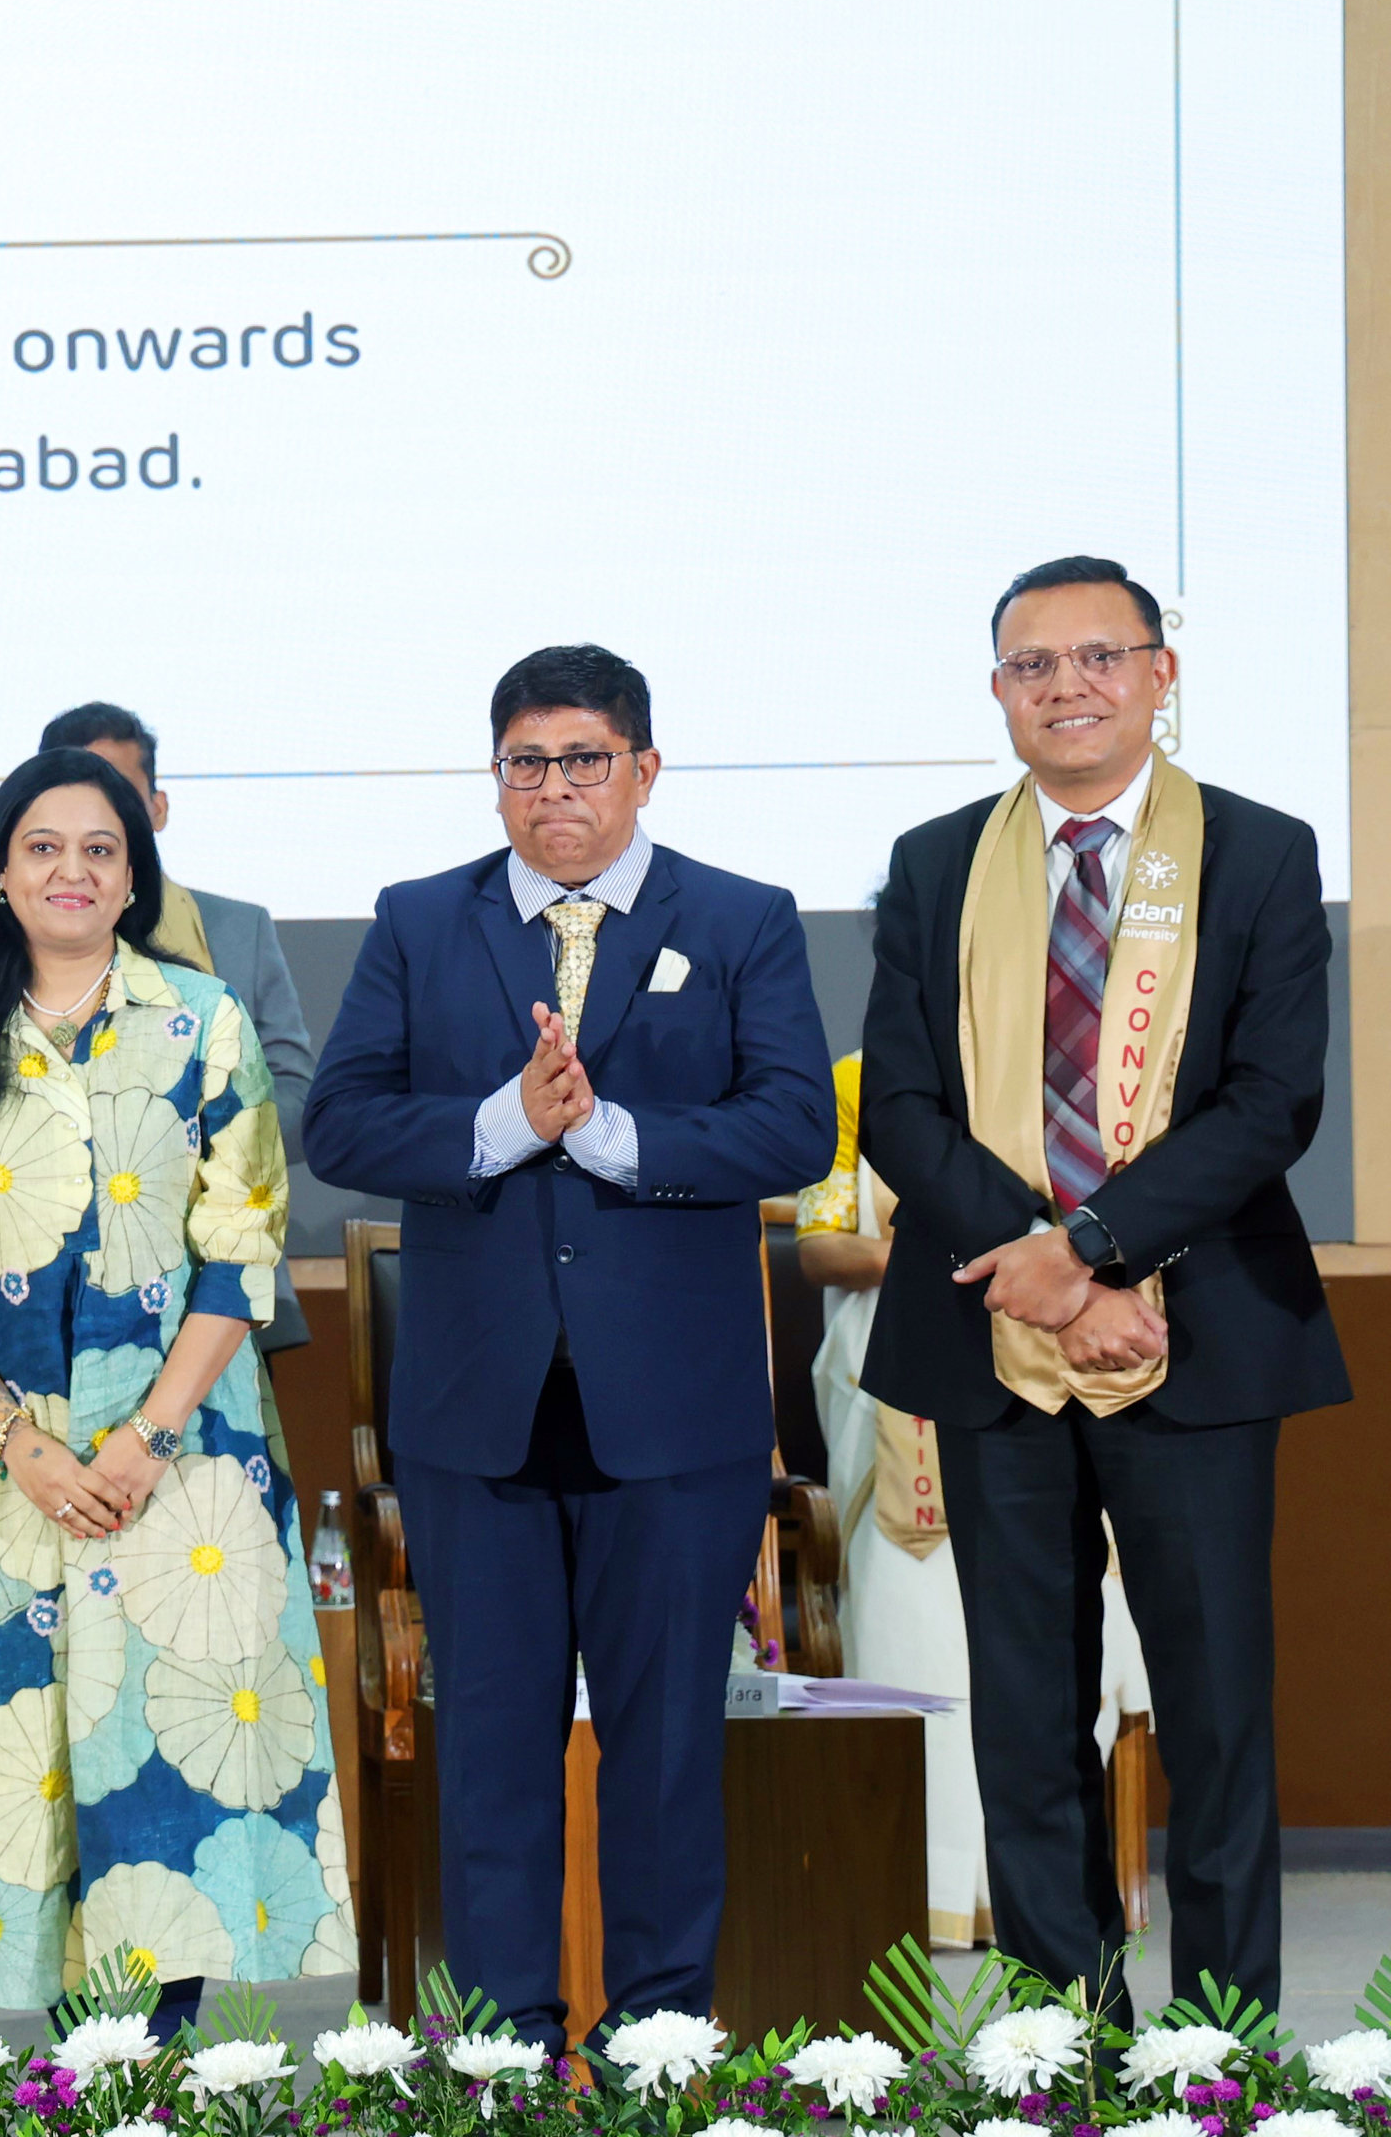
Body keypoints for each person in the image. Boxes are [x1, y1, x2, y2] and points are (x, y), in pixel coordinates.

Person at [303, 644, 830, 2049]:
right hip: (477, 1413)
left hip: (675, 1418)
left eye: (584, 760)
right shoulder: (421, 919)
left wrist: (610, 1137)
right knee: (489, 1755)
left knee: (666, 1755)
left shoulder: (742, 918)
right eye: (526, 763)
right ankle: (504, 2052)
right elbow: (339, 1121)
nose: (555, 789)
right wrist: (503, 1125)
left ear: (643, 770)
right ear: (497, 778)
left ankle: (658, 2046)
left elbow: (795, 1125)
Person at [858, 554, 1342, 2020]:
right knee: (1025, 1719)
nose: (1066, 687)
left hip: (1202, 1333)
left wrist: (1095, 1246)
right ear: (999, 690)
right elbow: (902, 1111)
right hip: (994, 1338)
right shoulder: (937, 862)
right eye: (1033, 665)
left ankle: (1223, 2050)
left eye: (1098, 658)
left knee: (1215, 1716)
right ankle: (1066, 2044)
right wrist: (1053, 1277)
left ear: (1158, 675)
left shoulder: (1258, 851)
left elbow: (1272, 1102)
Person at [0, 746, 350, 2022]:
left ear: (134, 876)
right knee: (18, 1785)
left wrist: (147, 1436)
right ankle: (49, 2086)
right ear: (0, 874)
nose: (72, 871)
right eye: (43, 848)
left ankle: (160, 2079)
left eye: (100, 849)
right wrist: (15, 1437)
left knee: (166, 1789)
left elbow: (242, 1249)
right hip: (4, 1472)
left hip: (183, 1461)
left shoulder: (206, 1020)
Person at [798, 1050, 1158, 1951]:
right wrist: (966, 1258)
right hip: (921, 1364)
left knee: (1053, 1641)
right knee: (910, 1631)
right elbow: (817, 1244)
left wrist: (1051, 1268)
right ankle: (919, 1886)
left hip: (1082, 1356)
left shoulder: (1084, 1060)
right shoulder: (861, 1080)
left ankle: (1043, 1901)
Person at [38, 703, 320, 1363]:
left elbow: (301, 1106)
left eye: (116, 798)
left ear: (157, 809)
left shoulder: (238, 931)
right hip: (46, 1284)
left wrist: (170, 1141)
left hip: (220, 1279)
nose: (94, 824)